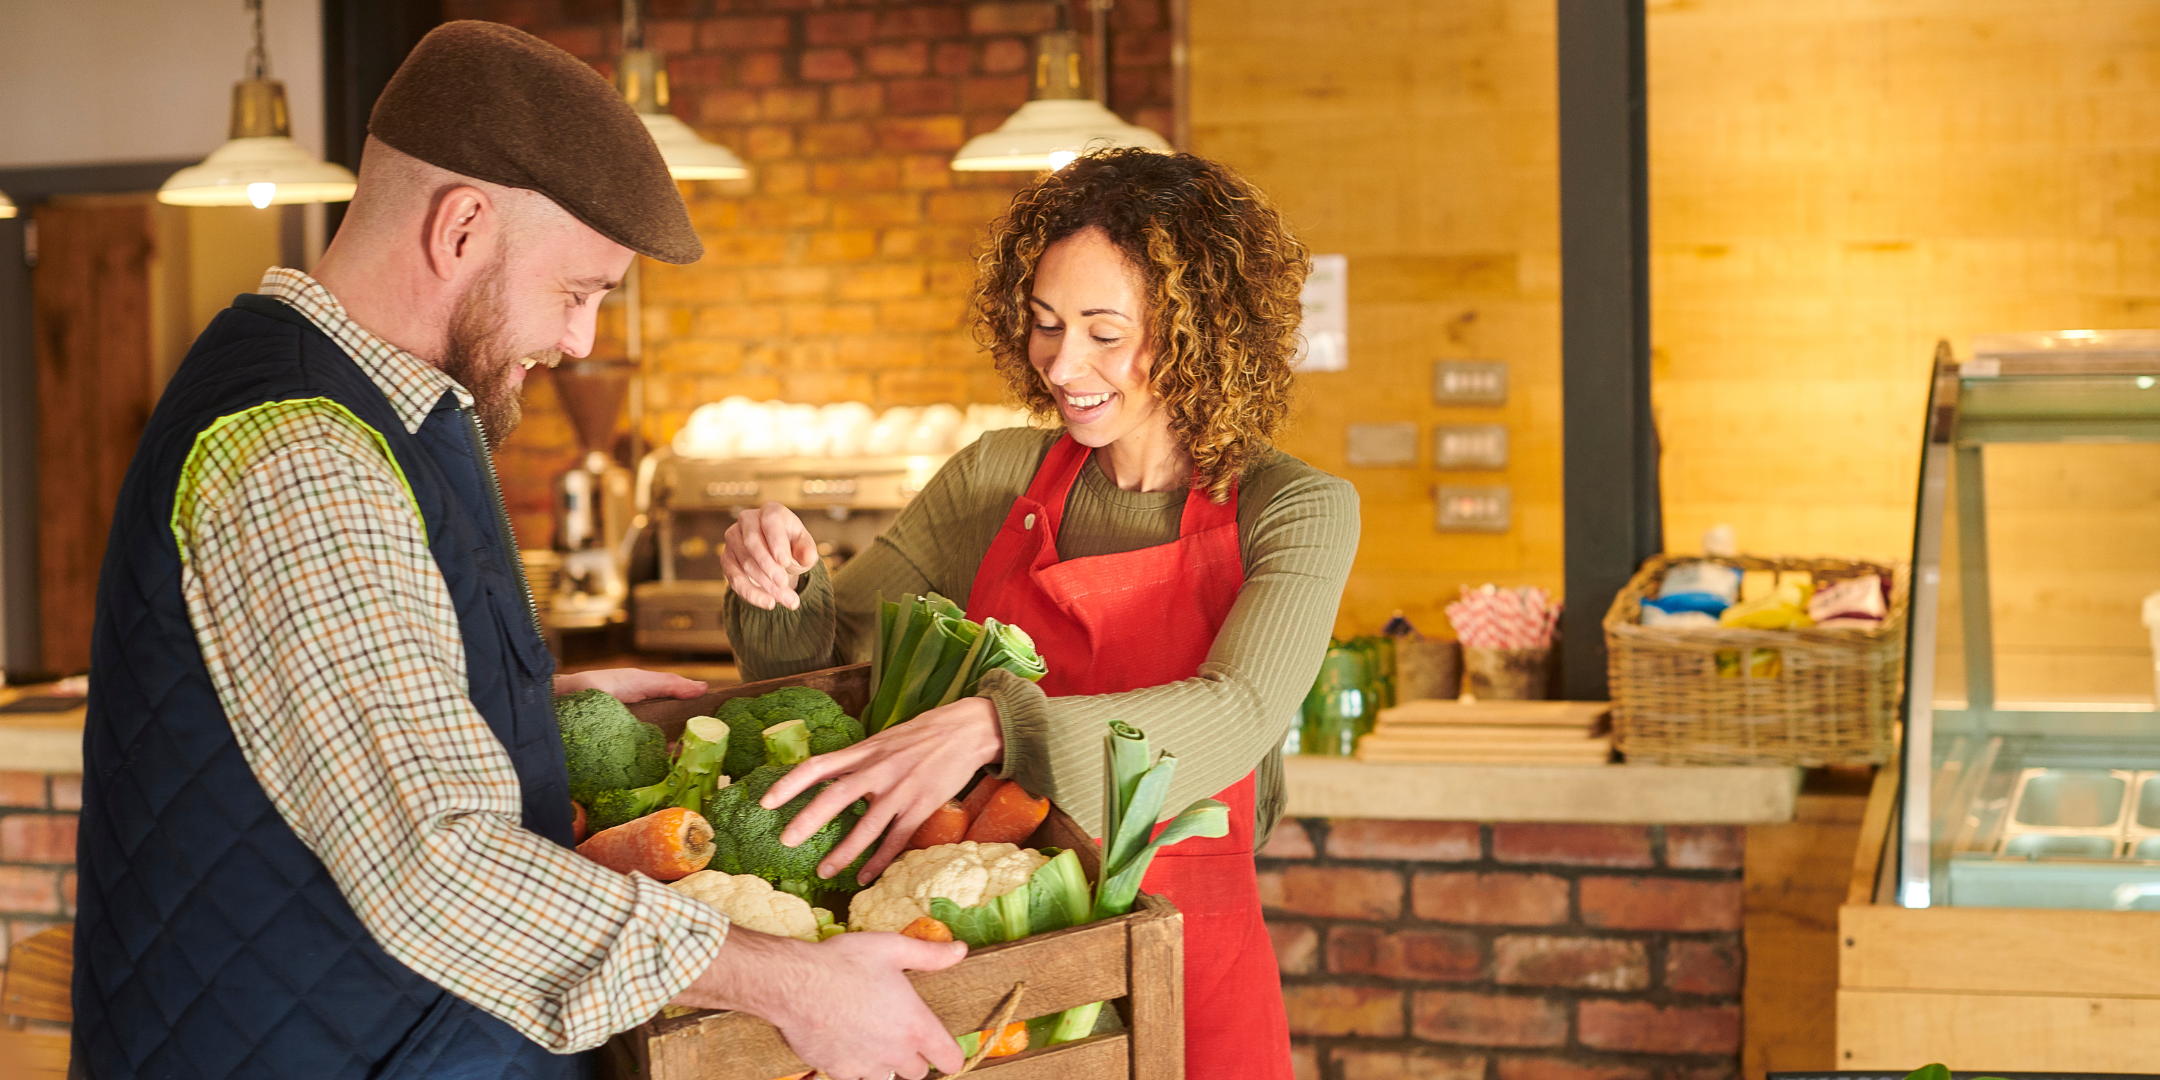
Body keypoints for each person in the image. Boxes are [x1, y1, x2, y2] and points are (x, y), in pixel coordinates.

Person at [74, 22, 965, 1080]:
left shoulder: (379, 412)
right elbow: (435, 863)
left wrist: (516, 712)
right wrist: (792, 982)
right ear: (462, 228)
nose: (582, 341)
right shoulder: (303, 449)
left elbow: (314, 742)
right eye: (579, 291)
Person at [721, 148, 1361, 1079]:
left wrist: (997, 726)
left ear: (1201, 332)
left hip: (1191, 955)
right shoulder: (996, 477)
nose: (1066, 365)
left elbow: (1238, 710)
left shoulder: (1293, 506)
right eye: (1046, 325)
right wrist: (776, 581)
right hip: (992, 972)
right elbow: (823, 650)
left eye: (1107, 333)